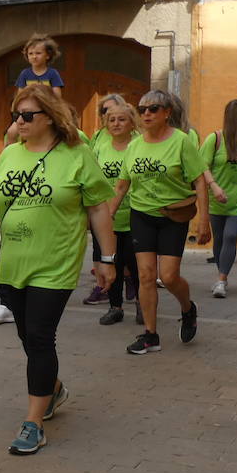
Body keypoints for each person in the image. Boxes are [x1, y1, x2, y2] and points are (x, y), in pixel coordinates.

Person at [0, 85, 116, 455]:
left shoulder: (77, 155)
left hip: (57, 261)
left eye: (27, 115)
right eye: (16, 115)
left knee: (38, 335)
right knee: (25, 334)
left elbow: (98, 208)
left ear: (50, 116)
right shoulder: (11, 155)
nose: (19, 122)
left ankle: (32, 423)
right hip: (16, 261)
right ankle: (52, 388)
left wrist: (107, 258)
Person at [111, 92, 212, 356]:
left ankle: (188, 309)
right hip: (141, 214)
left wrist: (204, 220)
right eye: (142, 109)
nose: (146, 114)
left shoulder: (181, 141)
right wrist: (107, 215)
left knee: (168, 276)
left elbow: (199, 179)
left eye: (153, 109)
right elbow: (122, 184)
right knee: (145, 275)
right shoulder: (134, 145)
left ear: (167, 112)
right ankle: (150, 335)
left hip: (172, 216)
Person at [92, 95, 142, 325]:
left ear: (132, 122)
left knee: (137, 265)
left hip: (134, 215)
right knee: (112, 262)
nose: (116, 124)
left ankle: (144, 305)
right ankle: (115, 306)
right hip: (106, 217)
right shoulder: (100, 147)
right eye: (111, 120)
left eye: (122, 119)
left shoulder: (139, 146)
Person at [202, 99, 237, 299]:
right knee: (219, 239)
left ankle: (221, 279)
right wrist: (214, 186)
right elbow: (203, 167)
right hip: (218, 198)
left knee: (231, 236)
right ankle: (221, 273)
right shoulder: (215, 139)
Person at [3, 34, 65, 146]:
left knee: (64, 131)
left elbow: (57, 97)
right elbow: (19, 96)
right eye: (30, 53)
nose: (34, 56)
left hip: (47, 113)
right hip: (27, 114)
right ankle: (9, 155)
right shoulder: (25, 74)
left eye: (38, 53)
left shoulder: (52, 74)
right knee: (11, 132)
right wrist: (16, 112)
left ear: (48, 55)